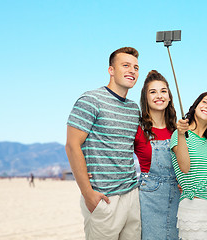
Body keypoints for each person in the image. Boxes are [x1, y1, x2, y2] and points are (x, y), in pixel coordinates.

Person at [65, 47, 141, 240]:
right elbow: (72, 145)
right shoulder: (91, 100)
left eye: (136, 67)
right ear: (111, 70)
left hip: (132, 195)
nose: (132, 70)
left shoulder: (134, 109)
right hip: (104, 197)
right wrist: (87, 193)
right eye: (125, 65)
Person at [170, 91, 207, 240]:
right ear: (195, 106)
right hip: (194, 208)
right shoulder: (179, 134)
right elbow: (184, 167)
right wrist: (181, 134)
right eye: (204, 102)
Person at [134, 70, 180, 239]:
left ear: (169, 97)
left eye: (163, 91)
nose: (159, 96)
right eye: (152, 92)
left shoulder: (178, 130)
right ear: (145, 98)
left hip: (179, 196)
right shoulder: (138, 129)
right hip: (149, 198)